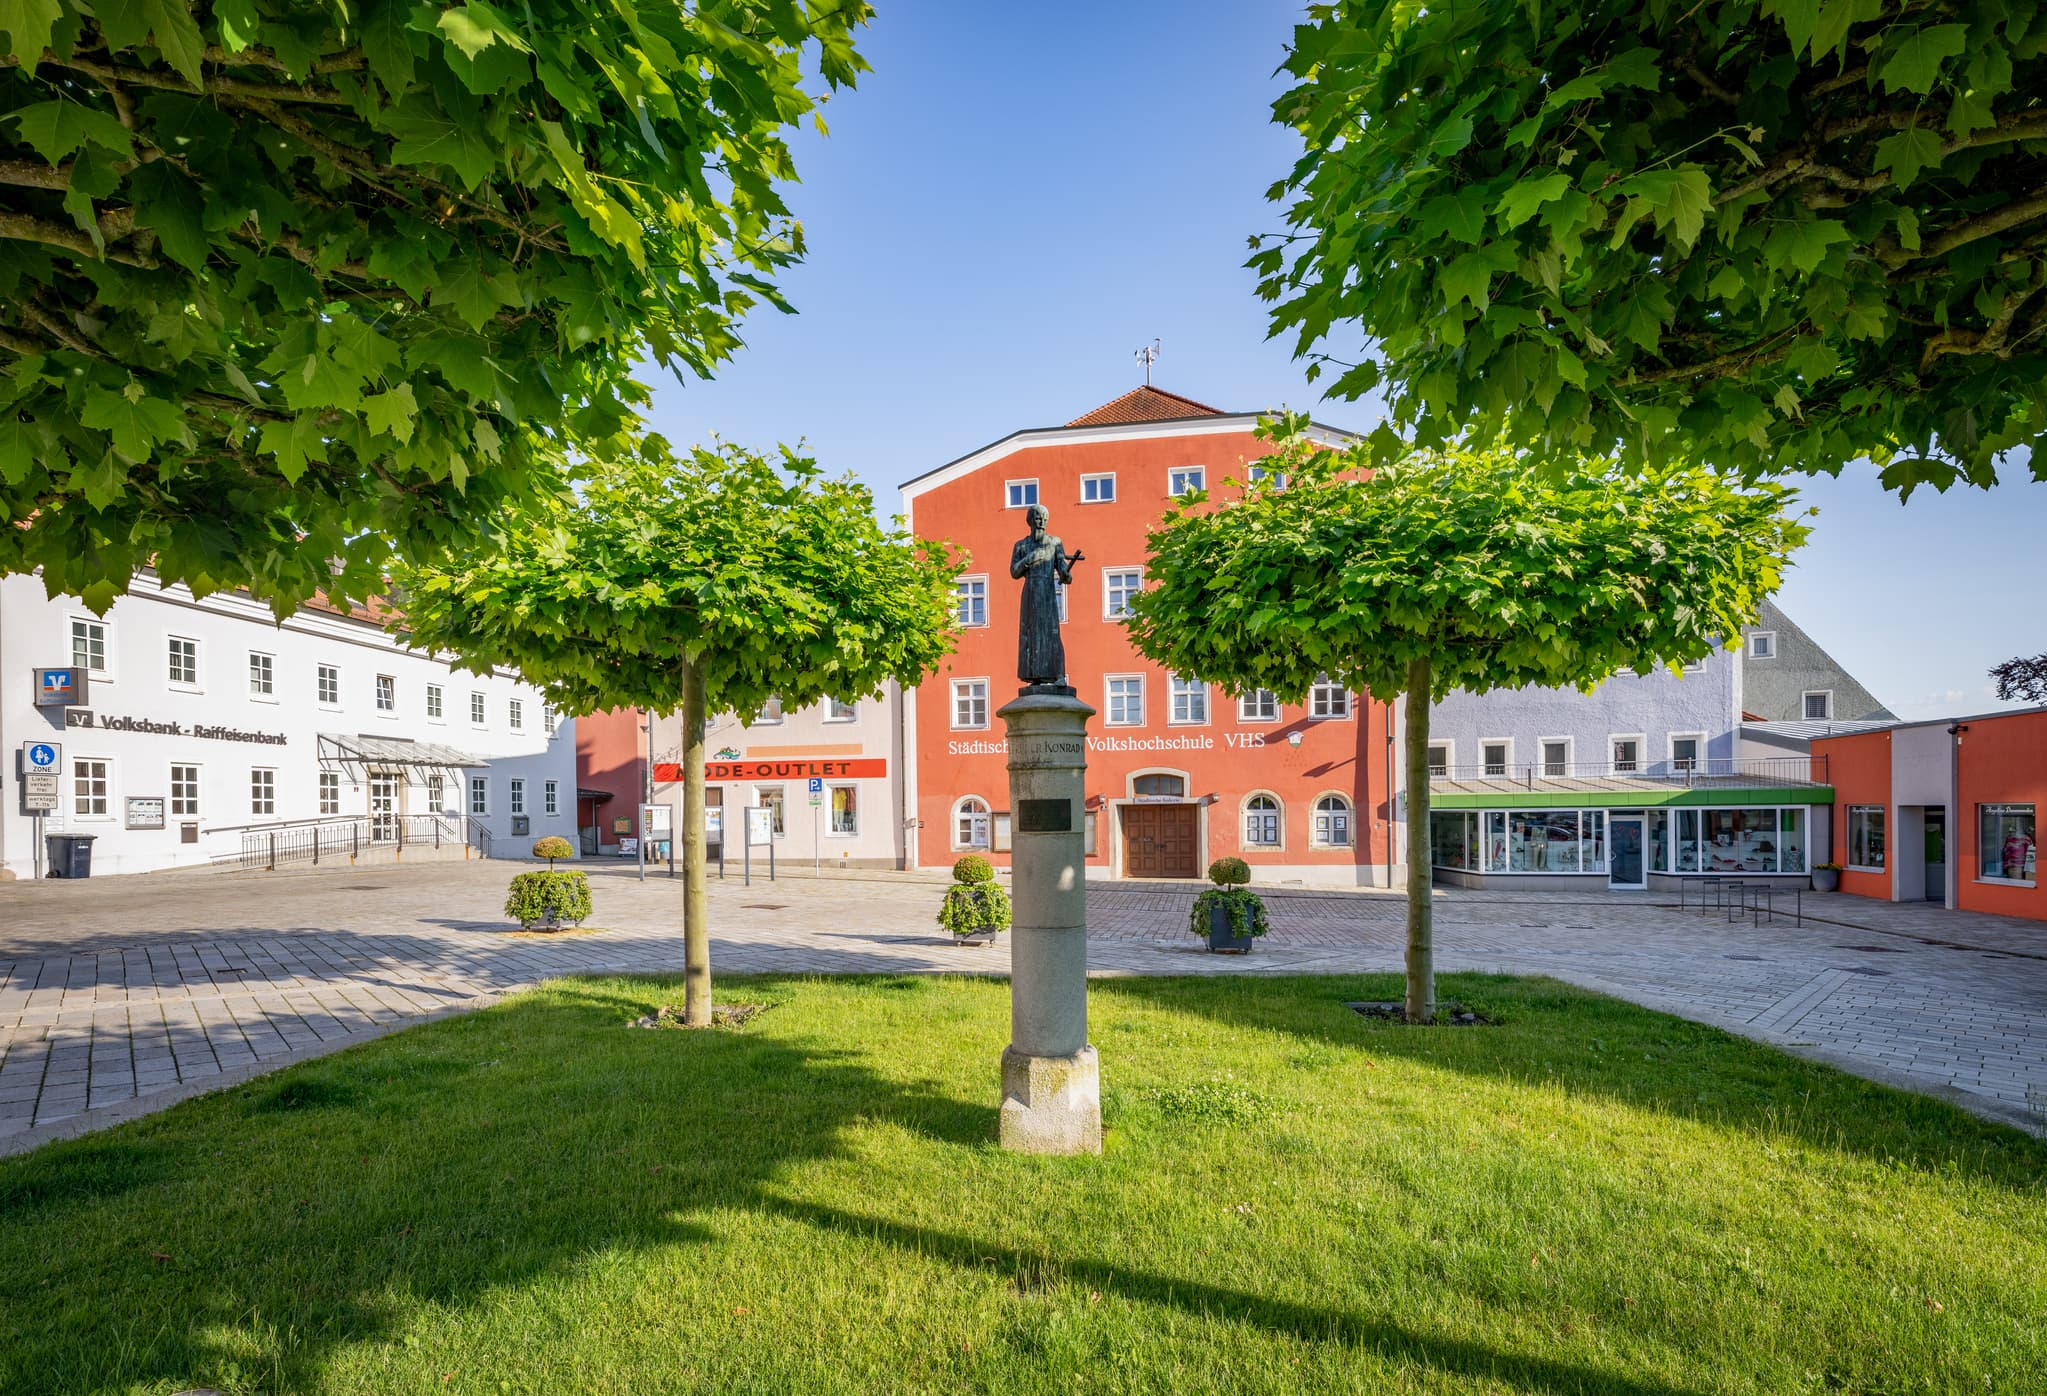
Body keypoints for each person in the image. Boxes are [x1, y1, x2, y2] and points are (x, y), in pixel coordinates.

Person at [1010, 503, 1083, 687]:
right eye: (1037, 517)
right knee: (1030, 633)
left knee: (1052, 633)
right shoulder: (1021, 545)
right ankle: (1034, 675)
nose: (1041, 521)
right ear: (1030, 520)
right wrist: (1028, 559)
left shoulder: (1054, 542)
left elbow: (1064, 571)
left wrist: (1066, 574)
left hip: (1047, 590)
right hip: (1030, 591)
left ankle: (1059, 674)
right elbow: (1014, 572)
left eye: (1044, 518)